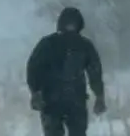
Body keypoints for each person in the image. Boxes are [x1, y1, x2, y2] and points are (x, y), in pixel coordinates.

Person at [25, 7, 106, 136]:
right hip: (69, 101)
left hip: (54, 101)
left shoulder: (47, 44)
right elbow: (94, 71)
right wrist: (99, 96)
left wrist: (36, 92)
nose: (70, 27)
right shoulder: (84, 45)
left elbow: (33, 68)